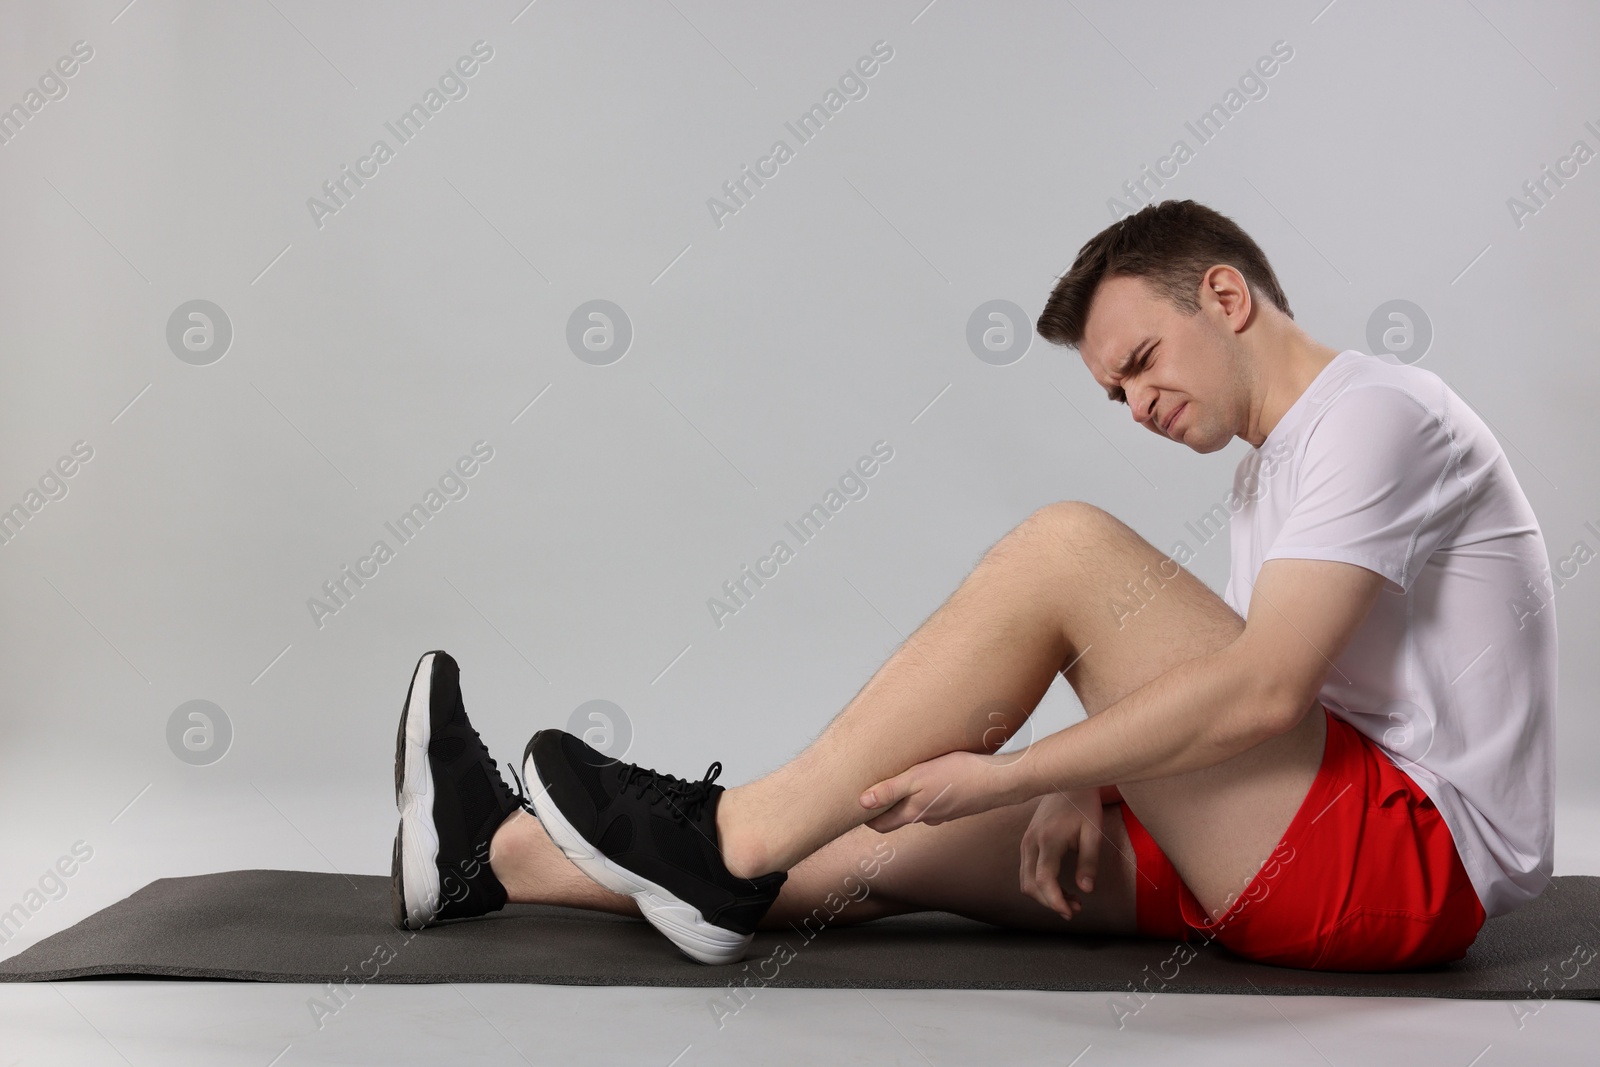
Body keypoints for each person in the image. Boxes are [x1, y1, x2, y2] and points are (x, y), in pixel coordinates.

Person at [389, 199, 1556, 972]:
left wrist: (1021, 766)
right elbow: (1251, 709)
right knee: (886, 845)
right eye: (1114, 394)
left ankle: (728, 837)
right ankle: (491, 858)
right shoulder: (1271, 478)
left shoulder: (1373, 414)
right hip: (1314, 841)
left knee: (1065, 546)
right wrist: (1090, 787)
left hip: (1408, 862)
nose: (1137, 406)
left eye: (1141, 362)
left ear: (1225, 295)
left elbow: (1258, 695)